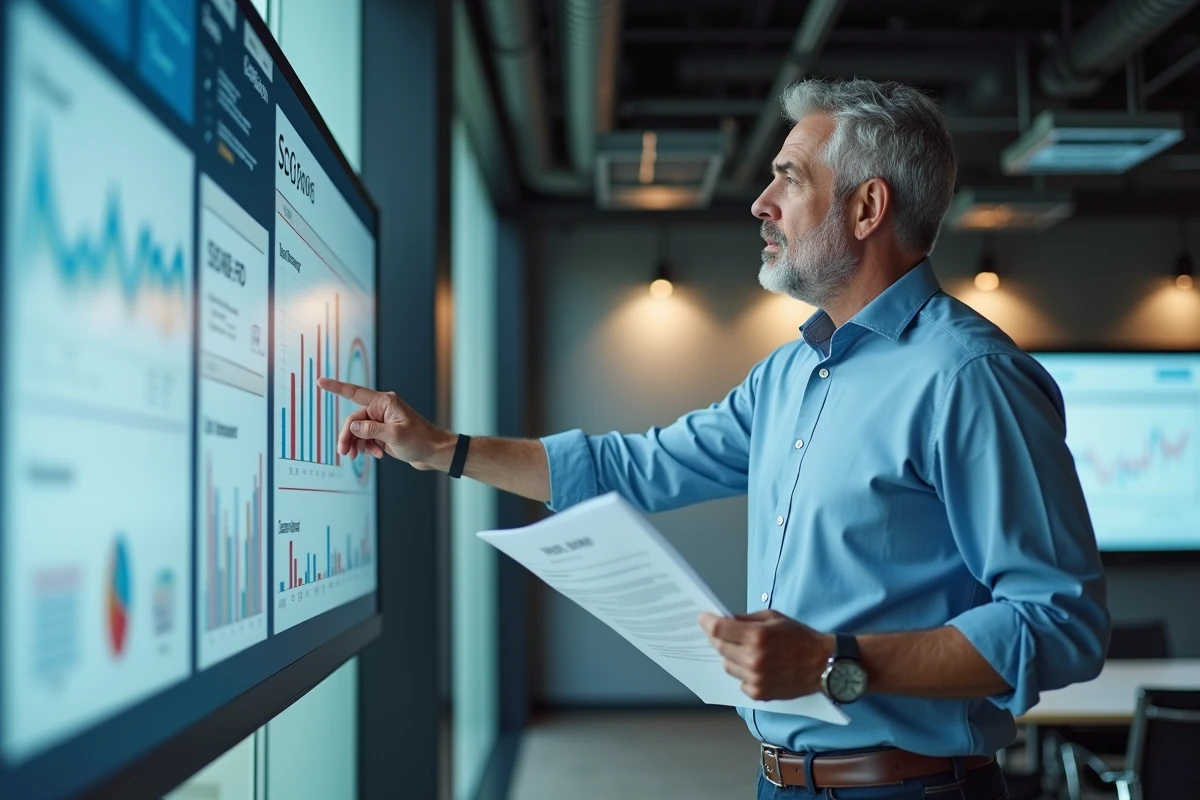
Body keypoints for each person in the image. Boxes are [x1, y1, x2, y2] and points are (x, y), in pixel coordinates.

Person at [319, 78, 1110, 800]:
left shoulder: (969, 378)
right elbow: (636, 469)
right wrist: (442, 449)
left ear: (868, 209)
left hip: (912, 788)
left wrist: (839, 661)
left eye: (790, 179)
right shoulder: (790, 375)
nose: (762, 203)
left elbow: (1061, 624)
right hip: (779, 784)